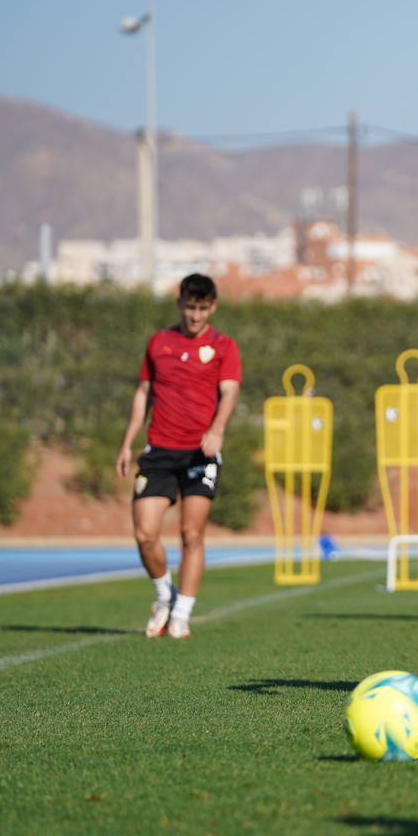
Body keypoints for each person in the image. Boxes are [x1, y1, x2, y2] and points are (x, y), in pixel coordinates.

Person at [114, 273, 242, 640]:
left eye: (202, 309)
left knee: (191, 534)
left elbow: (229, 393)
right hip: (159, 450)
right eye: (190, 307)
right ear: (179, 302)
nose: (195, 315)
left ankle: (182, 613)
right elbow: (143, 393)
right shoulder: (159, 342)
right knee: (145, 533)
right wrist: (127, 443)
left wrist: (217, 429)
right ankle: (163, 597)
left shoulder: (224, 346)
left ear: (212, 307)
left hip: (200, 452)